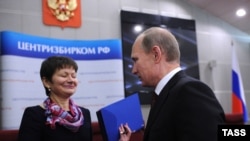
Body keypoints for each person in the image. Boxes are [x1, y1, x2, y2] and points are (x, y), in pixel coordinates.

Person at [119, 27, 225, 141]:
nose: (133, 70)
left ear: (156, 54)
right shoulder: (164, 95)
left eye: (136, 60)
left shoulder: (190, 92)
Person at [18, 56, 92, 141]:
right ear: (47, 82)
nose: (71, 80)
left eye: (74, 76)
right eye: (64, 75)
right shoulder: (34, 115)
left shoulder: (84, 113)